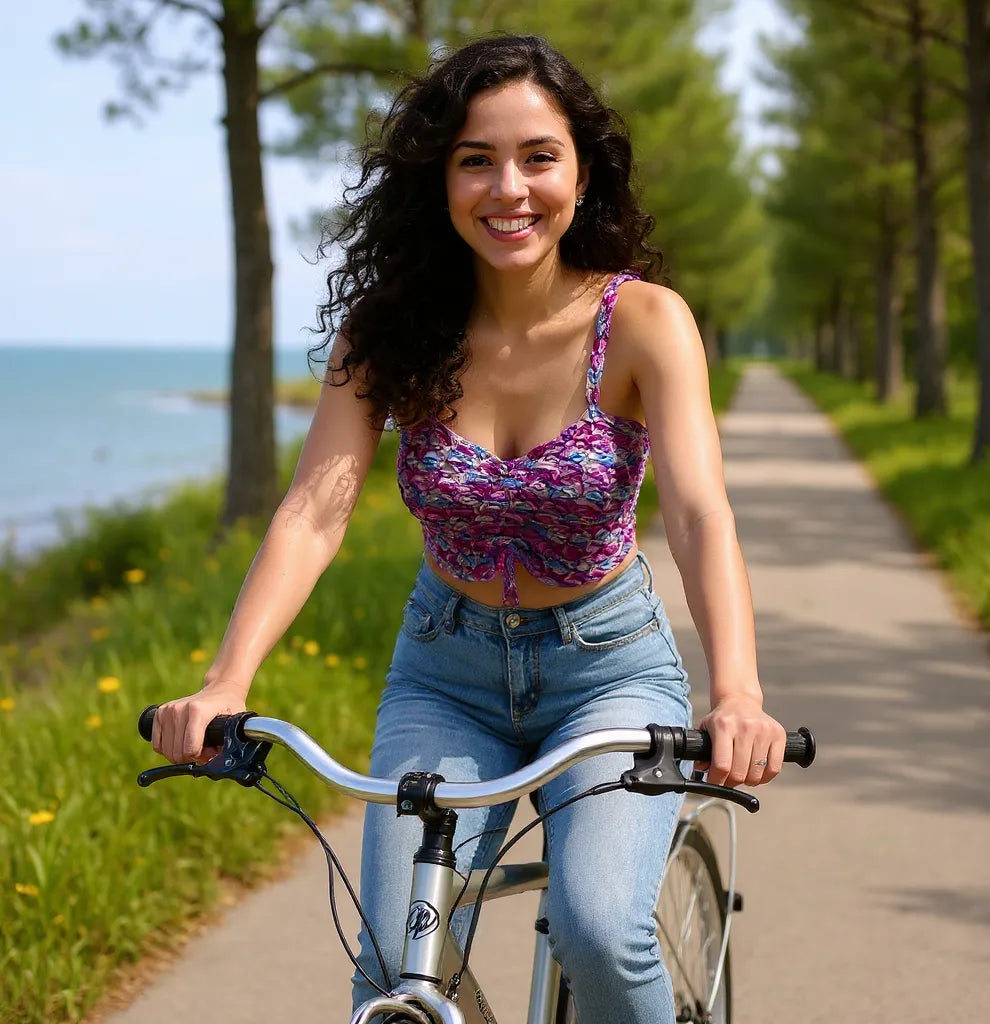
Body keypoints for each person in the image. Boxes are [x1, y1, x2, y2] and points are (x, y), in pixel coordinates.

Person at [150, 33, 786, 1023]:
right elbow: (313, 511)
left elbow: (701, 515)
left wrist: (737, 693)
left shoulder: (644, 322)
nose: (509, 188)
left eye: (538, 156)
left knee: (597, 930)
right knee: (397, 973)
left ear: (583, 170)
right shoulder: (390, 328)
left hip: (606, 672)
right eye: (475, 160)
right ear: (438, 180)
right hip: (444, 675)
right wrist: (226, 680)